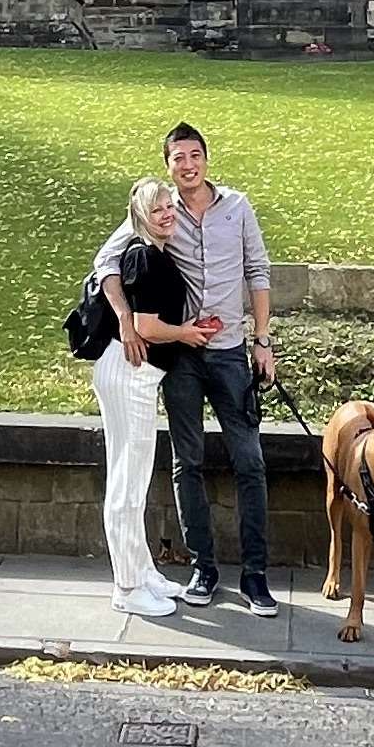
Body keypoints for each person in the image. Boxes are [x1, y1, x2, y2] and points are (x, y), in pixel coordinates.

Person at [155, 121, 279, 611]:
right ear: (167, 165)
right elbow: (113, 260)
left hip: (230, 353)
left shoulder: (237, 206)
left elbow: (258, 271)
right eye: (178, 158)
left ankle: (255, 575)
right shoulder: (160, 209)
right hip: (181, 356)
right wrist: (125, 318)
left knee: (250, 461)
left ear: (207, 158)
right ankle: (202, 568)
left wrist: (263, 341)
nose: (188, 166)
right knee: (187, 462)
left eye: (195, 155)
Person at [86, 177, 216, 615]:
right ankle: (126, 587)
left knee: (135, 478)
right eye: (156, 209)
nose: (166, 215)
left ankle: (142, 572)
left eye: (169, 207)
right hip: (130, 373)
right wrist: (186, 333)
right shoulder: (143, 255)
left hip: (137, 375)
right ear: (140, 216)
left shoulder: (156, 253)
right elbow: (145, 326)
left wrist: (186, 329)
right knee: (127, 482)